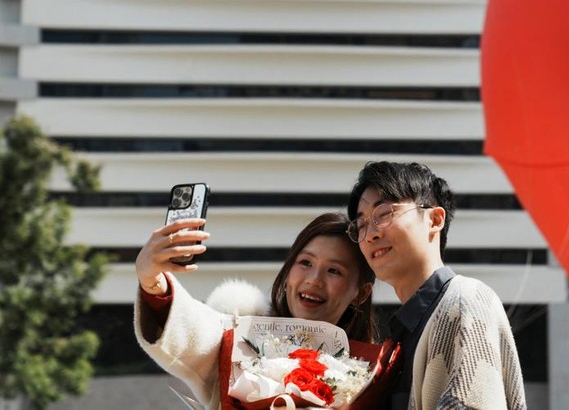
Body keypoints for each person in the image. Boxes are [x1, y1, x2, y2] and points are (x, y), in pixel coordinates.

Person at [134, 212, 376, 409]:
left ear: (361, 293)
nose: (314, 280)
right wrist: (153, 282)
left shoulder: (372, 370)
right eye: (305, 263)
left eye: (334, 270)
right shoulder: (240, 336)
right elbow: (195, 329)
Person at [346, 161, 527, 409]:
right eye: (362, 224)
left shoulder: (465, 301)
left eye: (384, 214)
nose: (370, 234)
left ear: (434, 219)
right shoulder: (405, 331)